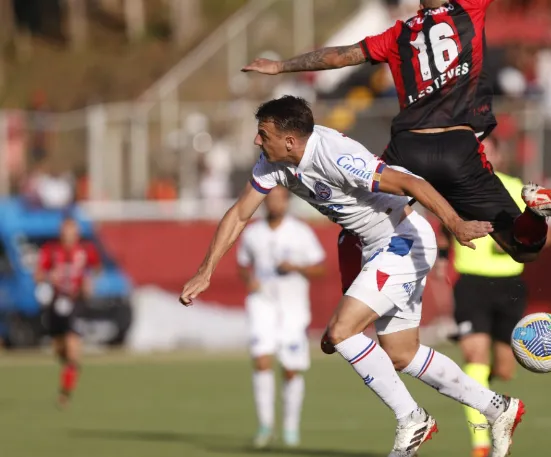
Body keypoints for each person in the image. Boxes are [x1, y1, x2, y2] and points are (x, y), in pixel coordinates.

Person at [180, 96, 525, 457]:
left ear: (290, 141)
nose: (256, 141)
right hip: (374, 246)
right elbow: (239, 214)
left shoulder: (336, 155)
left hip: (401, 239)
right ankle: (497, 408)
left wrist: (455, 224)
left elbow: (412, 185)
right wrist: (206, 271)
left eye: (262, 134)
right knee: (402, 354)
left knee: (342, 331)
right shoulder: (273, 162)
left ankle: (412, 419)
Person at [242, 0, 551, 267]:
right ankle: (534, 214)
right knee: (523, 250)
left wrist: (281, 66)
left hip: (409, 149)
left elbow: (338, 57)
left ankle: (354, 307)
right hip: (458, 148)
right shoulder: (469, 8)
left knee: (357, 225)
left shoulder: (398, 35)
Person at [436, 137, 530, 457]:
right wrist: (440, 256)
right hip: (472, 283)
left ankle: (487, 400)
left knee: (504, 369)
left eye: (490, 149)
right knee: (475, 357)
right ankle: (479, 445)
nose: (485, 155)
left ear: (501, 155)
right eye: (479, 150)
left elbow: (544, 232)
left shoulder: (517, 188)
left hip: (510, 284)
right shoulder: (459, 187)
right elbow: (442, 224)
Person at [236, 185, 326, 449]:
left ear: (287, 202)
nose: (275, 204)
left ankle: (290, 427)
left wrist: (296, 267)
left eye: (279, 199)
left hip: (293, 308)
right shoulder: (253, 233)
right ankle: (265, 425)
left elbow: (321, 268)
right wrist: (249, 281)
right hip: (262, 303)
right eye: (270, 199)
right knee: (262, 360)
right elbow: (243, 265)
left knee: (290, 368)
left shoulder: (300, 232)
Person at [35, 216, 100, 407]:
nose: (69, 236)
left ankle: (65, 393)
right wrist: (48, 276)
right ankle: (69, 368)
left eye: (72, 232)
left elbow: (96, 268)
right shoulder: (51, 250)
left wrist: (88, 281)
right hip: (55, 303)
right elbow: (38, 275)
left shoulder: (86, 250)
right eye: (65, 232)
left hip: (76, 302)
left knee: (72, 345)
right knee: (59, 349)